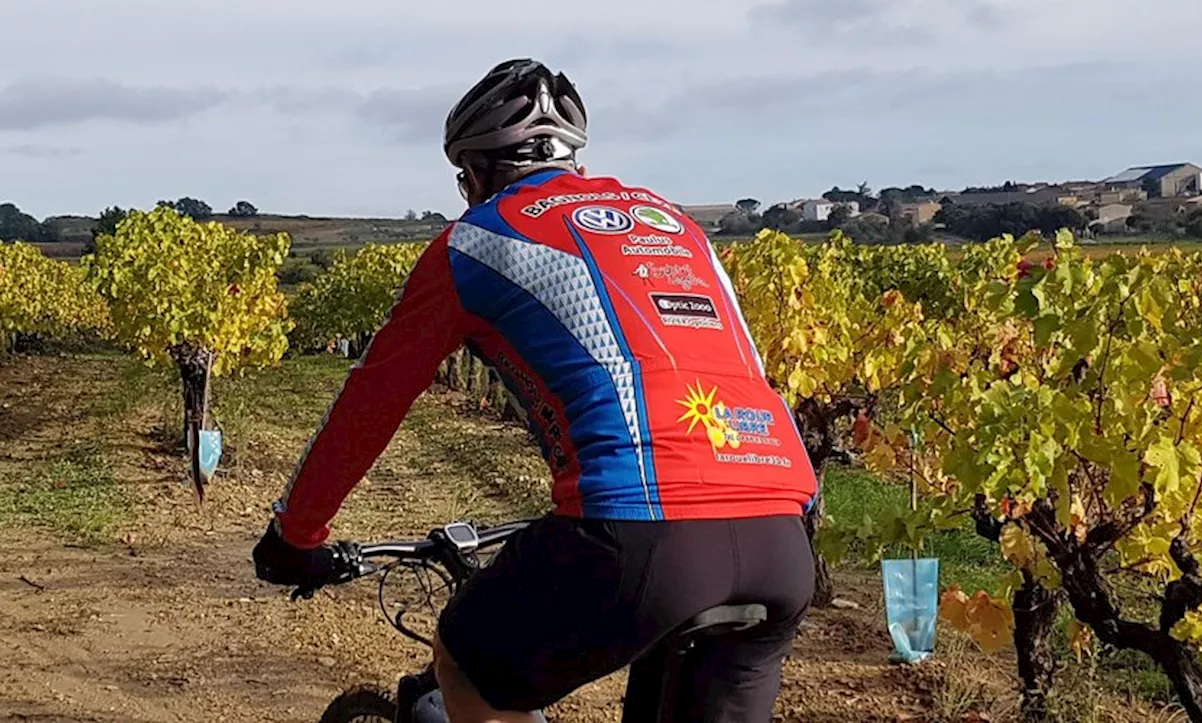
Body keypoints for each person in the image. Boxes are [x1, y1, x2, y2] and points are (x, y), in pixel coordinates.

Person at [252, 58, 819, 723]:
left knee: (466, 660)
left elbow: (369, 404)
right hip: (784, 536)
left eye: (464, 177)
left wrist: (296, 536)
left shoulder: (477, 240)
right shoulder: (678, 228)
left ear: (480, 171)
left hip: (641, 529)